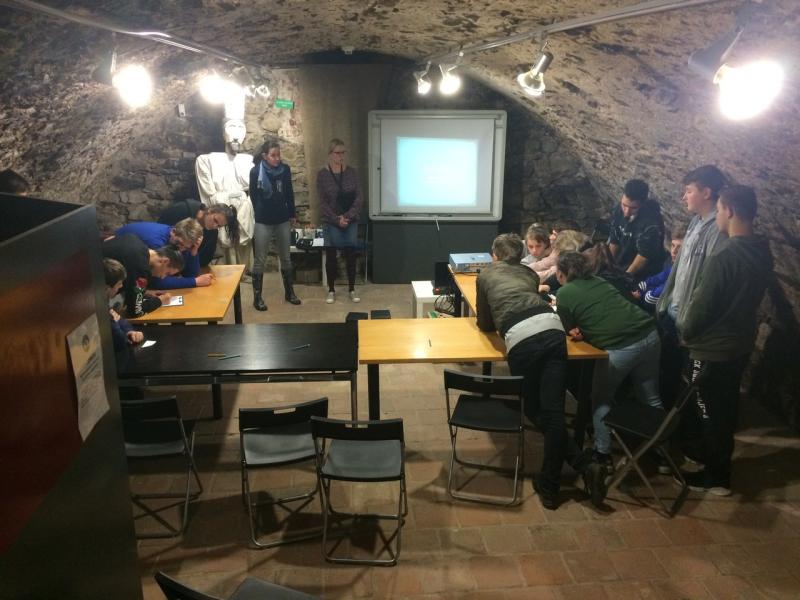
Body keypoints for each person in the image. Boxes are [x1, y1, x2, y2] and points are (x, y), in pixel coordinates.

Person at [476, 233, 608, 510]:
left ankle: (563, 478)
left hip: (521, 337)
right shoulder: (528, 274)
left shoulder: (486, 275)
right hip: (552, 328)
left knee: (536, 409)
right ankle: (564, 477)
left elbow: (485, 323)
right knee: (554, 411)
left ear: (495, 256)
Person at [678, 185, 773, 496]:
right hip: (739, 342)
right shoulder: (762, 250)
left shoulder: (724, 257)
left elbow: (702, 307)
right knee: (725, 406)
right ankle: (711, 459)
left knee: (708, 410)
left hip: (712, 348)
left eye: (719, 210)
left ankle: (716, 476)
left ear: (729, 211)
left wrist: (686, 332)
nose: (718, 216)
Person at [555, 251, 663, 469]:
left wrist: (581, 331)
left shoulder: (564, 292)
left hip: (620, 346)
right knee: (650, 397)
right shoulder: (599, 280)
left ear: (560, 273)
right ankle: (660, 452)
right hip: (650, 335)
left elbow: (570, 328)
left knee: (601, 399)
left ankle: (602, 454)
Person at [656, 165, 727, 408]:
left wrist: (690, 320)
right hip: (674, 314)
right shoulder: (695, 222)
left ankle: (680, 423)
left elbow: (707, 281)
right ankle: (663, 416)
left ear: (706, 193)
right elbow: (680, 269)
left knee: (687, 381)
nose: (683, 196)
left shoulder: (717, 231)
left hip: (688, 322)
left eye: (688, 191)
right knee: (667, 371)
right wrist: (665, 301)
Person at [195, 118, 255, 267]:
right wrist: (217, 199)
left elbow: (252, 186)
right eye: (232, 127)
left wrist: (247, 202)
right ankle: (227, 269)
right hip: (222, 202)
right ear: (224, 133)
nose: (236, 134)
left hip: (242, 204)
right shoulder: (207, 159)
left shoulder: (247, 161)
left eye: (240, 128)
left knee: (243, 240)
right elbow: (208, 191)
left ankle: (245, 270)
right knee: (225, 238)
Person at [249, 139, 300, 310]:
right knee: (260, 259)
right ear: (265, 156)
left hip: (282, 218)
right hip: (263, 220)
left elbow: (289, 192)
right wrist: (260, 211)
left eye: (279, 155)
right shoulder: (255, 171)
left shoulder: (285, 169)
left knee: (286, 257)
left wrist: (292, 214)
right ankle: (257, 298)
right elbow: (253, 196)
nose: (277, 158)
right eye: (273, 155)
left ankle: (290, 293)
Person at [317, 138, 363, 304]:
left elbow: (359, 197)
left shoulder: (352, 172)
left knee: (351, 254)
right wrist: (337, 219)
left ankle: (351, 289)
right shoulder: (322, 175)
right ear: (330, 154)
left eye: (343, 152)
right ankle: (331, 290)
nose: (341, 156)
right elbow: (322, 202)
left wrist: (348, 216)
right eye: (338, 153)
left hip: (350, 219)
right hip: (331, 221)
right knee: (331, 255)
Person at [114, 218, 212, 289]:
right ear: (173, 231)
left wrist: (194, 251)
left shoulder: (181, 243)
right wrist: (194, 282)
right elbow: (157, 281)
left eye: (186, 247)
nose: (181, 250)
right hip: (114, 268)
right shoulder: (156, 243)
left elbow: (190, 274)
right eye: (180, 244)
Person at [102, 234, 184, 318]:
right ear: (165, 261)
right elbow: (135, 311)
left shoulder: (135, 241)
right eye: (167, 273)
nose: (162, 277)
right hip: (97, 298)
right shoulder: (141, 269)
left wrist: (144, 292)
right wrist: (160, 301)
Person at [607, 179, 667, 279]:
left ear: (643, 204)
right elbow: (614, 240)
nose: (626, 212)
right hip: (623, 260)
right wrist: (608, 266)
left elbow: (643, 256)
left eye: (633, 208)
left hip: (645, 270)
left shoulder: (652, 223)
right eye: (624, 205)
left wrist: (624, 277)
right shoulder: (618, 209)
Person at [158, 200, 239, 267]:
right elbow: (161, 229)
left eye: (219, 226)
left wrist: (193, 254)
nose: (215, 226)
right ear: (210, 210)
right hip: (161, 257)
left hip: (183, 268)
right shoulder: (183, 209)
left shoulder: (212, 233)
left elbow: (205, 260)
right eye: (215, 220)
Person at [634, 230, 684, 313]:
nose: (674, 251)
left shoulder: (683, 272)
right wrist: (640, 288)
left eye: (679, 248)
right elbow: (658, 278)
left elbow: (651, 299)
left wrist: (641, 294)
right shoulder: (672, 264)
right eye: (672, 245)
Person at [103, 258, 144, 352]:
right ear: (106, 288)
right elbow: (120, 340)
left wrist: (130, 332)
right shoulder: (100, 309)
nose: (121, 286)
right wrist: (126, 337)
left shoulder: (104, 302)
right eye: (119, 283)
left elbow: (119, 320)